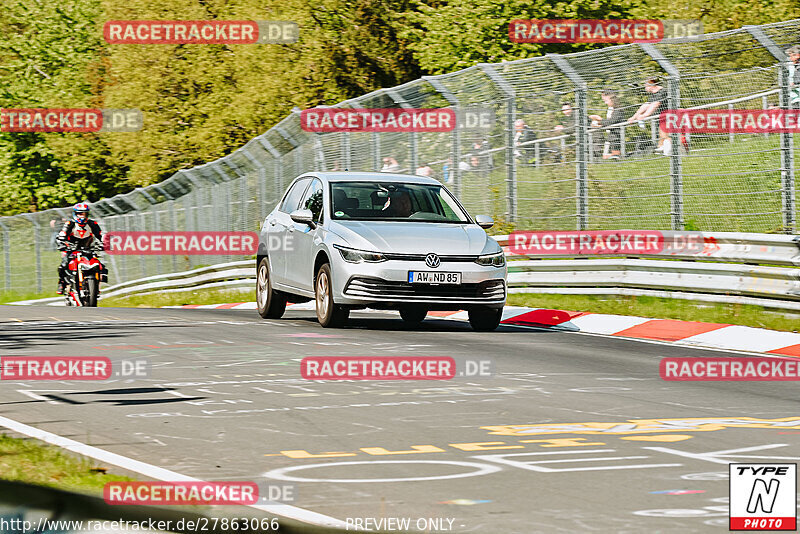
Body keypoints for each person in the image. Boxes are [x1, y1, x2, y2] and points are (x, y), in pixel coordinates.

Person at [56, 203, 103, 294]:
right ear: (75, 214)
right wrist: (61, 243)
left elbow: (100, 235)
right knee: (63, 265)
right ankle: (61, 283)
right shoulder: (69, 224)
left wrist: (104, 244)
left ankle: (96, 286)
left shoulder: (92, 224)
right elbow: (62, 235)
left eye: (84, 214)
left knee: (100, 266)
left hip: (87, 248)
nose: (82, 216)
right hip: (71, 248)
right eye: (80, 214)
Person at [627, 76, 670, 155]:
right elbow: (646, 105)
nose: (644, 87)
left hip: (668, 117)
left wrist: (644, 115)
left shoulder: (662, 91)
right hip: (660, 118)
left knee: (665, 135)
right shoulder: (653, 94)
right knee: (661, 135)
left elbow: (655, 104)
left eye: (646, 85)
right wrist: (634, 117)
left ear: (652, 84)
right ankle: (662, 150)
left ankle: (670, 151)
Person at [589, 89, 626, 159]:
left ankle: (615, 155)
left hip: (616, 135)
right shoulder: (611, 109)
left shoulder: (618, 110)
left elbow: (611, 122)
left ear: (612, 99)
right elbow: (609, 122)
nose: (605, 103)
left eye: (606, 101)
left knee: (610, 153)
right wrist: (599, 123)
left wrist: (599, 119)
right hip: (611, 135)